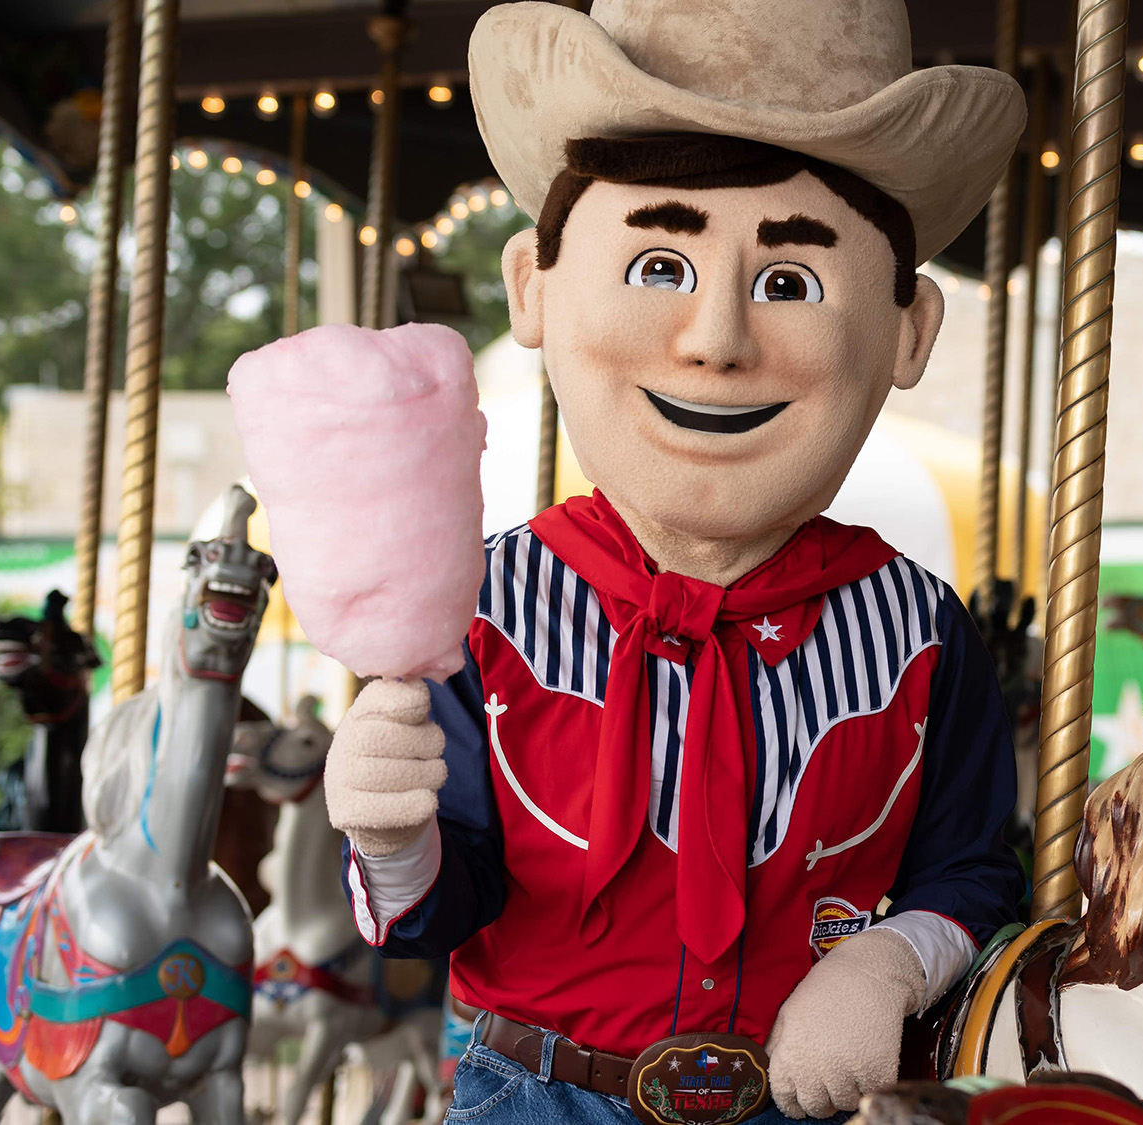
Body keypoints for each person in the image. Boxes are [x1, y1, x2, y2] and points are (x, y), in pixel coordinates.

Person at [323, 3, 1029, 1122]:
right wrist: (390, 834)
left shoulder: (918, 631)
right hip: (540, 1095)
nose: (716, 340)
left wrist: (887, 963)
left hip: (805, 1100)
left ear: (907, 330)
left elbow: (975, 868)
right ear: (533, 286)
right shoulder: (480, 607)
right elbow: (435, 915)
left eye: (788, 284)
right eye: (660, 266)